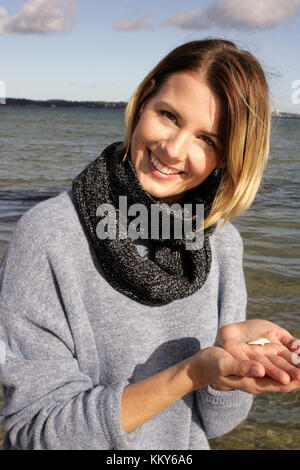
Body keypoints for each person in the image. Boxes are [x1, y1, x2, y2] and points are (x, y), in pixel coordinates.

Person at [0, 38, 299, 450]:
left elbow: (214, 425)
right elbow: (37, 432)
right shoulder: (49, 235)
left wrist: (230, 360)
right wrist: (191, 373)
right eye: (169, 115)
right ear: (144, 99)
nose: (174, 150)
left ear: (228, 156)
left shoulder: (221, 242)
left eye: (207, 140)